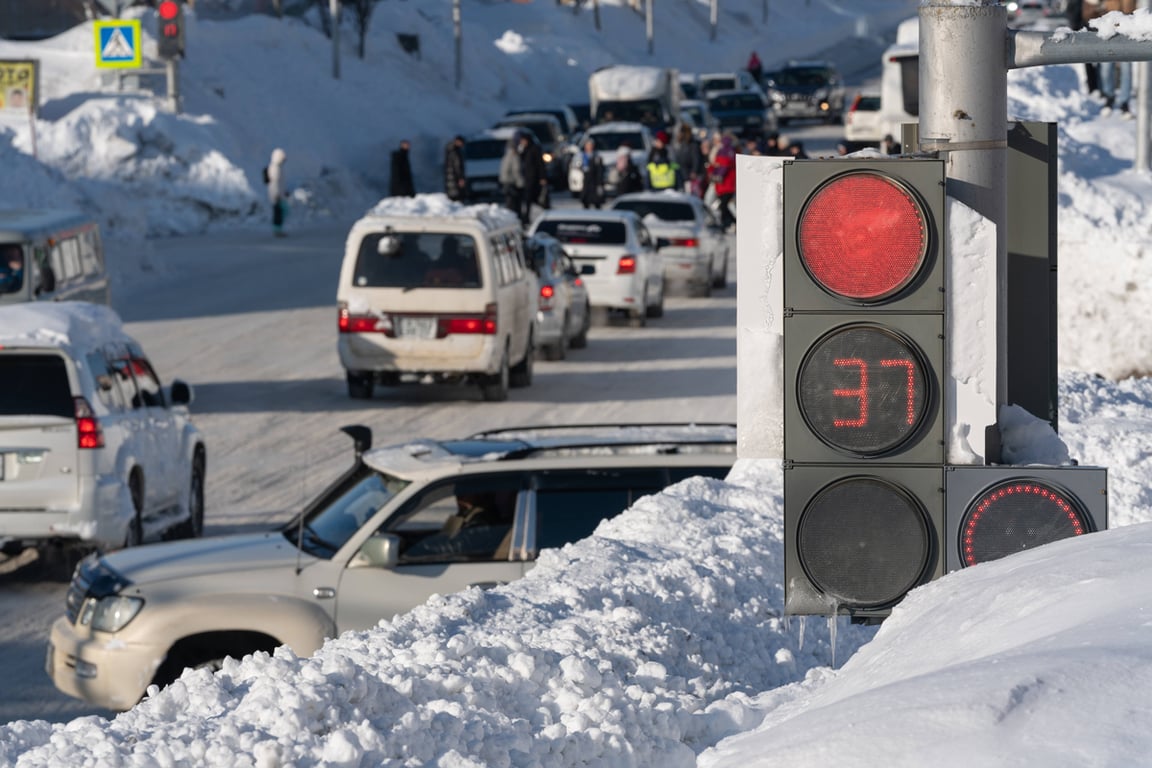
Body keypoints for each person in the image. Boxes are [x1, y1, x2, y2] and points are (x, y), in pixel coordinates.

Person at [707, 134, 737, 231]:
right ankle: (730, 223)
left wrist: (716, 175)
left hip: (725, 185)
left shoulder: (724, 152)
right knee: (723, 206)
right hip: (725, 185)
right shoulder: (730, 152)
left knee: (723, 206)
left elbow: (722, 166)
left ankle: (730, 223)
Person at [517, 131, 547, 226]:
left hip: (534, 178)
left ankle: (535, 216)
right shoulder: (524, 150)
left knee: (534, 198)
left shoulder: (535, 149)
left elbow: (540, 164)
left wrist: (542, 177)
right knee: (527, 199)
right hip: (527, 178)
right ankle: (527, 217)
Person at [670, 122, 702, 196]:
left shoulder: (692, 145)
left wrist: (694, 171)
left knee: (688, 193)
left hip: (688, 174)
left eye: (679, 133)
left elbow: (696, 158)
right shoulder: (677, 144)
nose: (677, 135)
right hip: (679, 173)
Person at [499, 132, 524, 214]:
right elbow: (516, 169)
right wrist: (521, 183)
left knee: (509, 203)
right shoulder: (514, 155)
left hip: (505, 181)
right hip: (512, 182)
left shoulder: (506, 154)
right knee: (514, 204)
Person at [578, 137, 605, 209]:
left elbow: (600, 170)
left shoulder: (597, 156)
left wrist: (600, 183)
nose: (589, 147)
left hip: (594, 182)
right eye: (587, 145)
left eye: (591, 145)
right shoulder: (582, 156)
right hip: (586, 181)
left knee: (597, 201)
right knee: (586, 201)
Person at [266, 147, 288, 237]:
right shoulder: (275, 168)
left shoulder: (277, 167)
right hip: (276, 195)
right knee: (278, 212)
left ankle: (278, 229)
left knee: (281, 212)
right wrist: (276, 194)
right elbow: (274, 183)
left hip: (279, 194)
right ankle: (277, 230)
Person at [444, 134, 467, 201]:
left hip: (450, 178)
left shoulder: (449, 150)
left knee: (452, 196)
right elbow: (458, 166)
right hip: (455, 178)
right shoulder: (456, 152)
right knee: (457, 197)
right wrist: (461, 178)